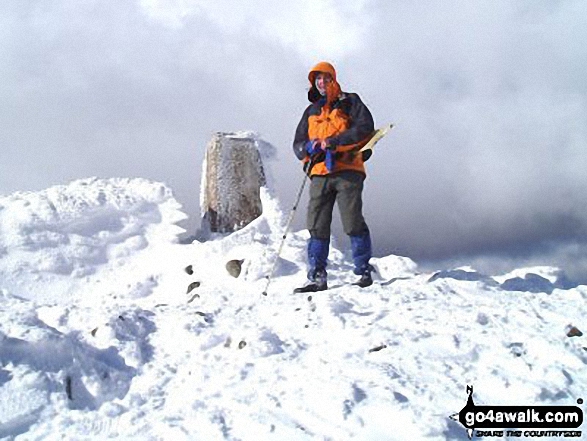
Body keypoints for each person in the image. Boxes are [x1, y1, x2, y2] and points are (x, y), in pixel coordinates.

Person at [292, 61, 376, 292]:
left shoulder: (350, 102)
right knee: (316, 225)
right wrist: (308, 149)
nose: (321, 82)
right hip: (320, 173)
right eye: (317, 79)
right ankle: (317, 276)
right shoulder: (310, 112)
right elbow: (297, 142)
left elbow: (365, 128)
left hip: (348, 170)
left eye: (325, 78)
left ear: (333, 79)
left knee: (352, 220)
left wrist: (333, 142)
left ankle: (363, 271)